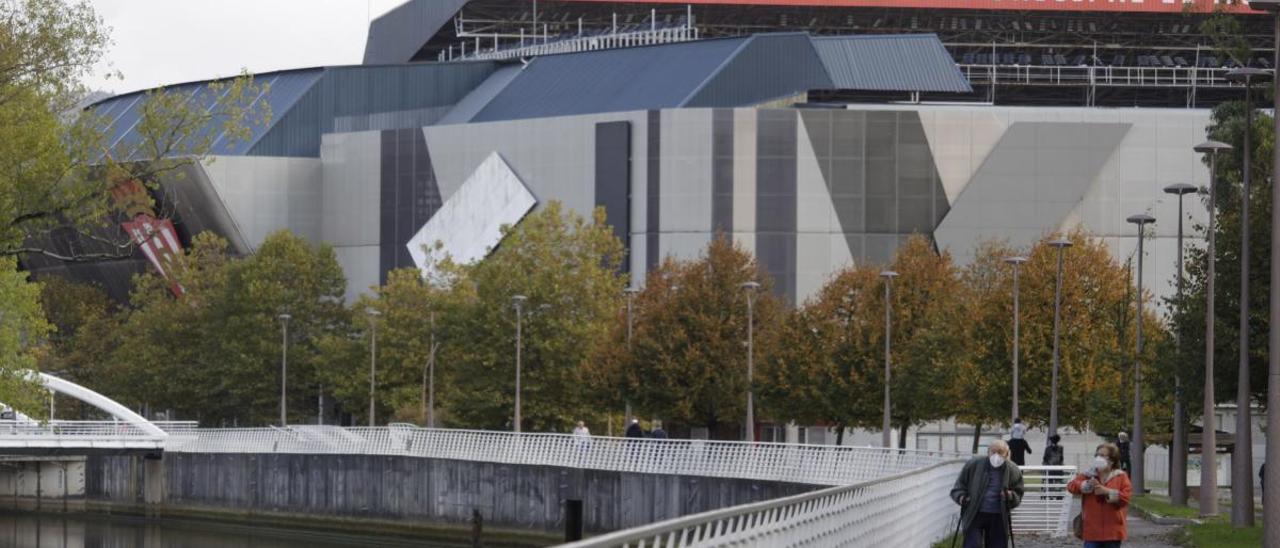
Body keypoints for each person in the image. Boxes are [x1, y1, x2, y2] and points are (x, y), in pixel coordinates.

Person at [950, 439, 1025, 548]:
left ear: (1007, 454)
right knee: (972, 545)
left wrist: (1010, 495)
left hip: (999, 515)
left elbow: (1018, 493)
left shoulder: (1013, 469)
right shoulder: (973, 465)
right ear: (987, 452)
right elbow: (958, 487)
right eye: (993, 452)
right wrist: (961, 497)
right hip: (975, 513)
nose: (996, 456)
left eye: (1000, 452)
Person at [1067, 443, 1132, 547]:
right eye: (1096, 455)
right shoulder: (1088, 474)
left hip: (1113, 531)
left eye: (1102, 455)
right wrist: (1084, 485)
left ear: (1112, 459)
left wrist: (1106, 491)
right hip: (1092, 530)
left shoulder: (1121, 476)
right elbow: (1071, 486)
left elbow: (1125, 498)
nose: (1098, 458)